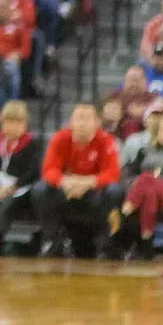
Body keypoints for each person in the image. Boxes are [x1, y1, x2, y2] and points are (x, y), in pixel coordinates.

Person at [37, 102, 122, 258]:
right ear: (71, 122)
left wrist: (87, 182)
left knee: (115, 190)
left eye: (87, 118)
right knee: (40, 189)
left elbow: (112, 173)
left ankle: (104, 244)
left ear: (97, 123)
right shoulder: (60, 138)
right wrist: (65, 182)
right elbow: (48, 170)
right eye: (78, 118)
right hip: (67, 190)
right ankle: (51, 241)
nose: (82, 123)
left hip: (94, 190)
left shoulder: (106, 140)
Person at [115, 106, 163, 259]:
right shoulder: (144, 151)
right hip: (147, 194)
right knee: (149, 191)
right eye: (162, 131)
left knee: (147, 177)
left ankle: (124, 212)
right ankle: (147, 242)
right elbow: (129, 173)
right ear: (156, 132)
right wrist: (137, 181)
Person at [0, 100, 42, 258]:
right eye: (8, 122)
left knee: (10, 202)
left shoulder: (33, 145)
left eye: (17, 122)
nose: (12, 127)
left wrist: (14, 186)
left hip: (20, 187)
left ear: (24, 124)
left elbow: (34, 171)